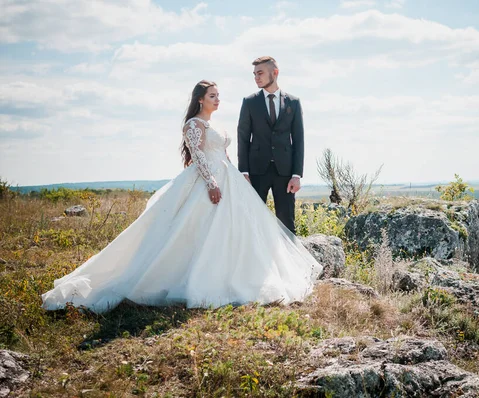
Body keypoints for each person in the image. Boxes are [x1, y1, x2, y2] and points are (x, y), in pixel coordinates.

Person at [41, 80, 322, 314]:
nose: (217, 99)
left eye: (218, 95)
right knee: (193, 229)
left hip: (228, 177)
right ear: (200, 100)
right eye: (213, 96)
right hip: (207, 181)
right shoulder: (193, 124)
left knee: (233, 230)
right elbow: (199, 156)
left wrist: (235, 178)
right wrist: (212, 183)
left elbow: (223, 154)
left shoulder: (217, 125)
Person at [237, 56, 304, 234]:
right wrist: (243, 171)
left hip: (285, 172)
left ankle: (290, 261)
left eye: (260, 73)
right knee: (252, 219)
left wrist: (297, 174)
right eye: (254, 74)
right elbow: (243, 138)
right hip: (256, 170)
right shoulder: (249, 102)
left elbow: (298, 140)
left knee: (286, 220)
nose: (256, 78)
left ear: (275, 73)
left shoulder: (293, 102)